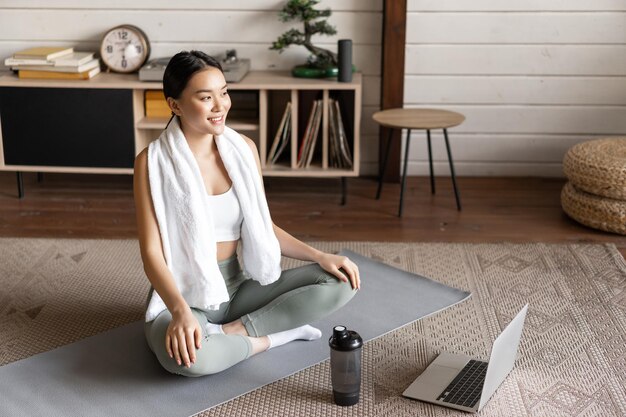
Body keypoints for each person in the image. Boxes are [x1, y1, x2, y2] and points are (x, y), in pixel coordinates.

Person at [133, 50, 360, 377]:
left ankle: (233, 332)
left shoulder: (243, 149)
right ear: (175, 105)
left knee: (342, 280)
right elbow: (152, 253)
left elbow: (260, 224)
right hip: (185, 294)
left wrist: (320, 255)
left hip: (238, 288)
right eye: (205, 97)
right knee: (186, 361)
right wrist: (181, 311)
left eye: (223, 93)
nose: (219, 106)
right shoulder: (151, 162)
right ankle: (270, 338)